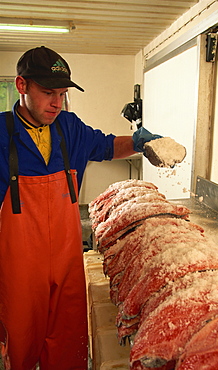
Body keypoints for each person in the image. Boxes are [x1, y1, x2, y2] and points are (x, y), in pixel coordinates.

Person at [0, 46, 160, 370]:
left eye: (61, 94)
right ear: (21, 85)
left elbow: (105, 145)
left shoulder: (68, 127)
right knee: (17, 349)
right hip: (18, 270)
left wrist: (139, 142)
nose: (56, 103)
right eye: (48, 93)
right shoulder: (1, 134)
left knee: (68, 347)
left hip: (67, 263)